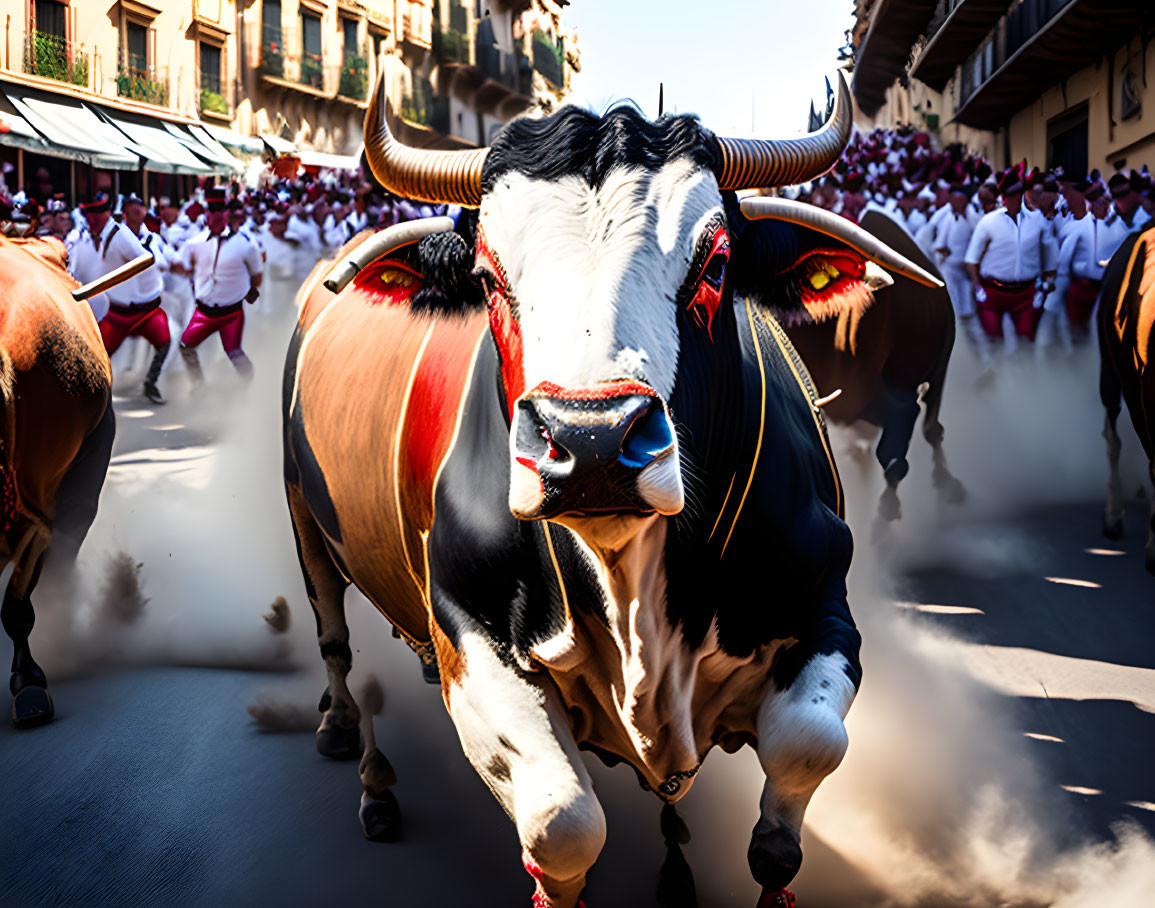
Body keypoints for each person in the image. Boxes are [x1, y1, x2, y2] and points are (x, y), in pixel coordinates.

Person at [964, 168, 1058, 351]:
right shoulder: (988, 222)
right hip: (992, 291)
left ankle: (1023, 376)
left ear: (1020, 196)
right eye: (1007, 197)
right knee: (993, 340)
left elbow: (1050, 255)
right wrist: (977, 286)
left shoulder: (1038, 221)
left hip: (1026, 292)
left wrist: (1047, 282)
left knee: (1026, 340)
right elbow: (971, 259)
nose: (1010, 201)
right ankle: (997, 375)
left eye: (1014, 196)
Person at [178, 187, 263, 385]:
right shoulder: (195, 243)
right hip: (204, 311)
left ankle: (249, 384)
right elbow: (183, 266)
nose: (214, 217)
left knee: (233, 351)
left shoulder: (245, 243)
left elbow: (256, 274)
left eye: (219, 213)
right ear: (206, 216)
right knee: (186, 346)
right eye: (211, 213)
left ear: (226, 215)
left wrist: (250, 291)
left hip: (231, 312)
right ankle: (198, 386)